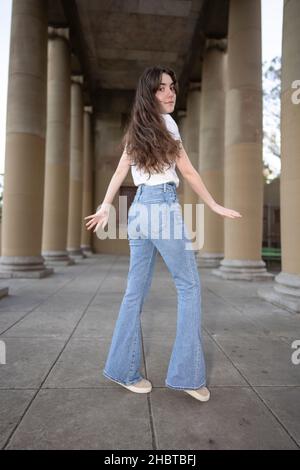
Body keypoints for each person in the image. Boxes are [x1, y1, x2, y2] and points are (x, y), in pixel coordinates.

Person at [84, 66, 242, 402]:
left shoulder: (136, 128)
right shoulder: (167, 123)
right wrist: (213, 204)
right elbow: (186, 169)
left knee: (133, 293)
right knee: (189, 286)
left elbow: (119, 172)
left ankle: (121, 371)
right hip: (162, 207)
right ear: (149, 93)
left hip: (138, 211)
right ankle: (188, 377)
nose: (169, 93)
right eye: (161, 88)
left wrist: (105, 206)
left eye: (172, 86)